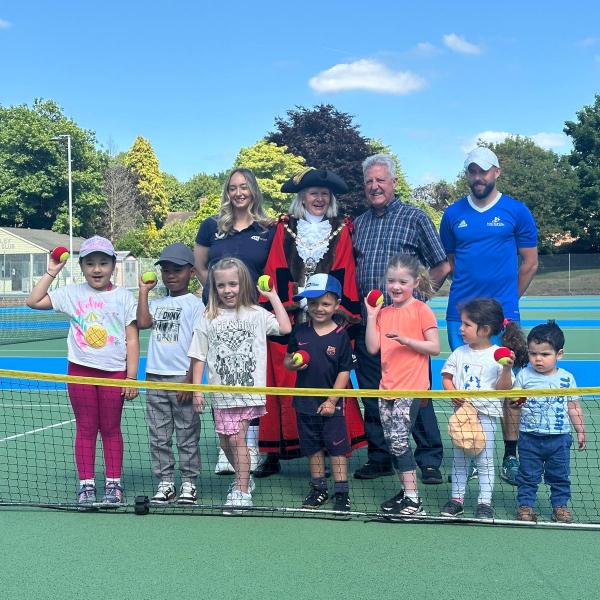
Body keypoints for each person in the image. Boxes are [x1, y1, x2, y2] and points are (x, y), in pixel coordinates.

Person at [255, 167, 365, 478]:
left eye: (324, 194)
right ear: (302, 197)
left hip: (326, 315)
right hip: (292, 315)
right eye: (313, 193)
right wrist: (293, 299)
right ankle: (276, 452)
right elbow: (275, 266)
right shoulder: (284, 228)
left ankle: (331, 448)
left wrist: (328, 302)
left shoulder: (340, 229)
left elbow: (344, 271)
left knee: (327, 377)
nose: (318, 198)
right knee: (285, 379)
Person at [440, 146, 539, 485]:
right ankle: (466, 450)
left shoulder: (517, 211)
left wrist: (508, 302)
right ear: (467, 174)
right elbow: (450, 262)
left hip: (503, 318)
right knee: (464, 384)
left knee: (507, 386)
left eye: (483, 171)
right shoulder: (452, 215)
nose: (478, 177)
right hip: (461, 316)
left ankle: (510, 456)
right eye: (472, 171)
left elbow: (529, 263)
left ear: (497, 172)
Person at [353, 153, 450, 483]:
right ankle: (380, 455)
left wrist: (419, 300)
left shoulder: (415, 217)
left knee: (416, 395)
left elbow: (440, 265)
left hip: (406, 324)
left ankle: (429, 458)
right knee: (373, 391)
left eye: (381, 180)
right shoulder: (359, 223)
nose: (375, 186)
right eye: (369, 182)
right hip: (371, 323)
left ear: (394, 182)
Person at [26, 235, 139, 505]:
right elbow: (33, 300)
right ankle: (86, 485)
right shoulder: (72, 293)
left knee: (111, 429)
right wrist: (52, 271)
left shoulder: (124, 297)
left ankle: (114, 484)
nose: (97, 269)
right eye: (90, 263)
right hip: (80, 373)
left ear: (113, 265)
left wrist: (131, 377)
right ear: (82, 267)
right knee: (86, 428)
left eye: (103, 263)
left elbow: (132, 338)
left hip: (114, 375)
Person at [188, 258, 291, 513]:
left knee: (237, 440)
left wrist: (273, 296)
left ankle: (242, 490)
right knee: (224, 443)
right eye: (221, 285)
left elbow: (285, 327)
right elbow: (198, 356)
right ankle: (244, 477)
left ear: (243, 284)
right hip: (221, 395)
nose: (228, 290)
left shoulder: (256, 314)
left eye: (233, 284)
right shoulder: (208, 317)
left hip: (248, 393)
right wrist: (197, 390)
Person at [194, 168, 276, 473]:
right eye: (233, 188)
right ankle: (225, 444)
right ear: (227, 192)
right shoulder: (210, 226)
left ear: (253, 191)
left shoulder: (267, 229)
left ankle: (250, 442)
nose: (238, 192)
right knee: (222, 373)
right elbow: (201, 266)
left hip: (252, 317)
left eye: (244, 187)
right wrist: (216, 295)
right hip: (217, 314)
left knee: (248, 376)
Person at [365, 255, 441, 517]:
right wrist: (372, 314)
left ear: (415, 282)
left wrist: (406, 340)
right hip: (387, 387)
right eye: (391, 281)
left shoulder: (421, 310)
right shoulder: (384, 312)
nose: (396, 286)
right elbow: (372, 347)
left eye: (402, 281)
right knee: (392, 441)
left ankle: (413, 500)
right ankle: (406, 491)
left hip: (411, 388)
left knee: (398, 440)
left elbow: (435, 347)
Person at [439, 299, 523, 519]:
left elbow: (503, 389)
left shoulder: (499, 355)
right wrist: (452, 391)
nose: (461, 328)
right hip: (462, 416)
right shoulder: (459, 353)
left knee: (485, 461)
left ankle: (484, 503)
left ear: (484, 329)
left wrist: (506, 369)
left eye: (467, 324)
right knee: (460, 460)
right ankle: (456, 499)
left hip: (486, 417)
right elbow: (446, 377)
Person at [137, 243, 204, 505]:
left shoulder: (196, 305)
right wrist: (143, 292)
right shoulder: (157, 303)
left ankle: (189, 482)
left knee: (187, 435)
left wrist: (189, 380)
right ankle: (165, 483)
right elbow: (142, 322)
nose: (170, 275)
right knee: (159, 435)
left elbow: (199, 346)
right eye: (166, 270)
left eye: (177, 270)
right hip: (154, 377)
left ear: (191, 272)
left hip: (181, 379)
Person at [285, 274, 355, 512]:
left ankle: (341, 492)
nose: (319, 308)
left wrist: (331, 400)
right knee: (312, 448)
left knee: (337, 448)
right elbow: (287, 359)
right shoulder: (300, 332)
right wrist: (292, 364)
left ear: (336, 305)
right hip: (304, 402)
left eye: (325, 303)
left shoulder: (341, 335)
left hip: (331, 405)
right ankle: (318, 489)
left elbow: (344, 372)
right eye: (313, 303)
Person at [511, 321, 586, 524]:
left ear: (558, 354)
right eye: (533, 353)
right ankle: (525, 507)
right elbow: (514, 403)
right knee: (527, 476)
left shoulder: (567, 379)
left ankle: (560, 507)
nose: (538, 359)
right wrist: (516, 401)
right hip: (529, 437)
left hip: (559, 439)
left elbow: (573, 406)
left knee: (560, 476)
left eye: (545, 354)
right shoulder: (524, 376)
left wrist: (580, 430)